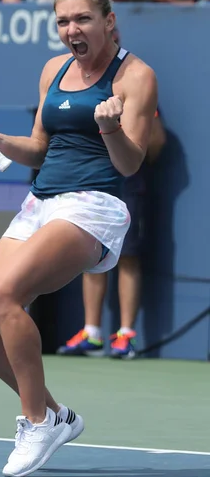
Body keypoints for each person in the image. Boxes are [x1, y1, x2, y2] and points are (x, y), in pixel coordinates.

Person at [0, 0, 158, 477]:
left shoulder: (136, 76)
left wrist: (109, 126)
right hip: (41, 201)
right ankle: (57, 415)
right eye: (63, 21)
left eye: (83, 19)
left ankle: (36, 419)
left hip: (94, 206)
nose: (72, 29)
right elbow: (39, 148)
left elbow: (130, 163)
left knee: (4, 295)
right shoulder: (53, 70)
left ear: (109, 22)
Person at [57, 26, 166, 360]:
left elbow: (157, 143)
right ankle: (92, 333)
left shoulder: (134, 83)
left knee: (128, 256)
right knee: (92, 257)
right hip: (89, 184)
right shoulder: (73, 82)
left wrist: (123, 142)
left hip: (127, 184)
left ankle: (127, 333)